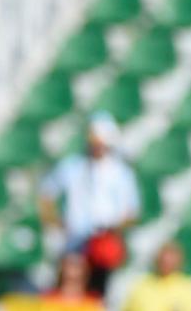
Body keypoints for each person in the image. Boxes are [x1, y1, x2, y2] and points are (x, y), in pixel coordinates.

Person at [39, 112, 140, 295]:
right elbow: (46, 193)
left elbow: (131, 212)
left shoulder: (121, 173)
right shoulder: (72, 166)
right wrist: (54, 221)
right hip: (73, 241)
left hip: (102, 246)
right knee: (69, 288)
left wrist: (111, 230)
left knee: (97, 292)